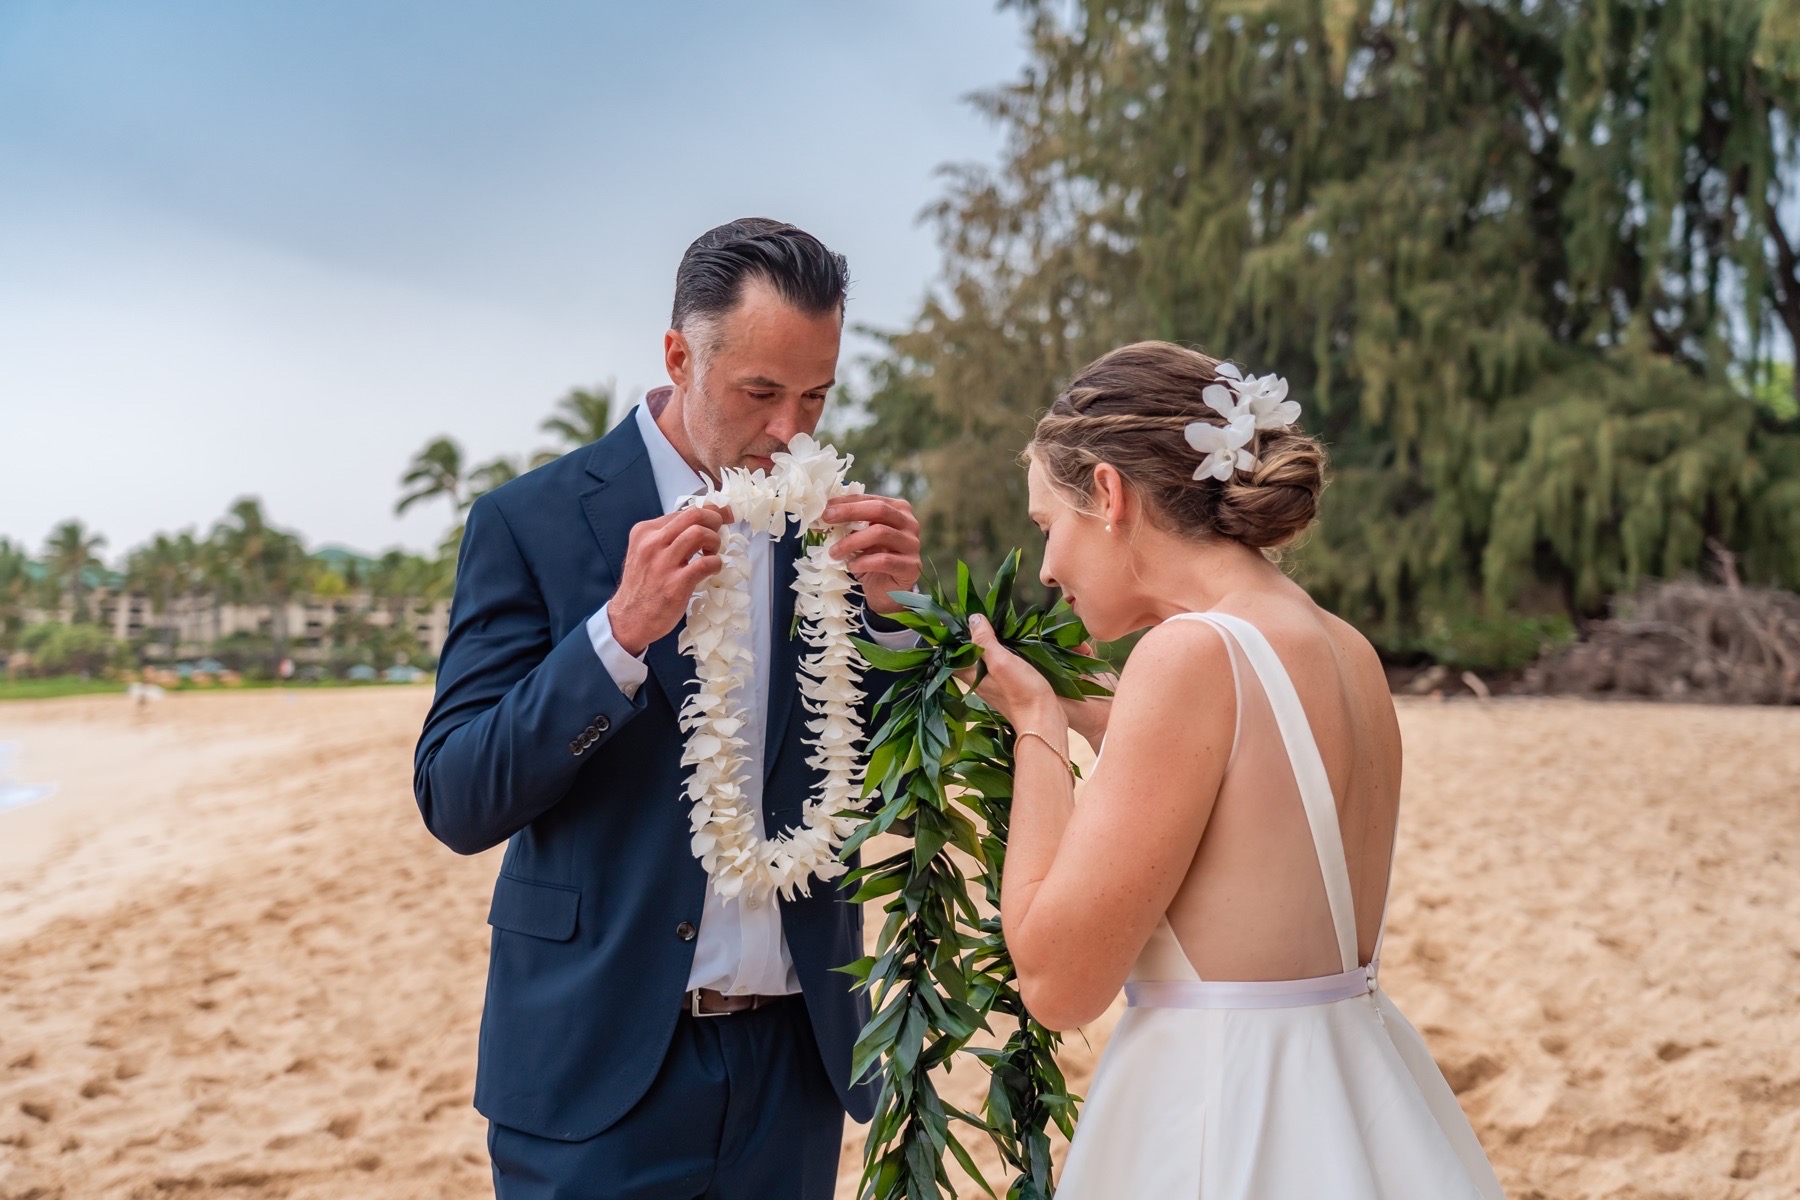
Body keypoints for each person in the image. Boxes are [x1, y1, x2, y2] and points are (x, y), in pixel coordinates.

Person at [413, 218, 924, 1200]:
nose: (792, 430)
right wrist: (616, 636)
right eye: (761, 393)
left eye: (815, 395)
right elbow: (456, 795)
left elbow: (887, 778)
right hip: (595, 1071)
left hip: (796, 1066)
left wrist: (901, 629)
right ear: (680, 356)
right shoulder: (530, 522)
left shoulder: (835, 535)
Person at [964, 341, 1506, 1198]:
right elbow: (1250, 814)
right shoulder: (1344, 647)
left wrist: (1035, 725)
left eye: (1046, 526)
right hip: (1356, 1093)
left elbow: (1058, 983)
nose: (1046, 569)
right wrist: (1100, 718)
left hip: (1227, 1114)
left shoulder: (1188, 657)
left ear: (1107, 494)